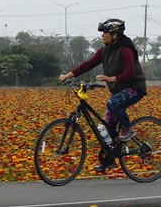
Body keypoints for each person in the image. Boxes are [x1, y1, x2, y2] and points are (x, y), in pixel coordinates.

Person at [59, 18, 147, 171]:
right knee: (106, 129)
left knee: (112, 103)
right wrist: (69, 75)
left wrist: (112, 78)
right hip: (118, 90)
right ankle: (109, 160)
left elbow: (130, 73)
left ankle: (129, 129)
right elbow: (89, 64)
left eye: (105, 33)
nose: (102, 36)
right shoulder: (105, 51)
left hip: (134, 88)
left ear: (115, 34)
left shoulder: (126, 49)